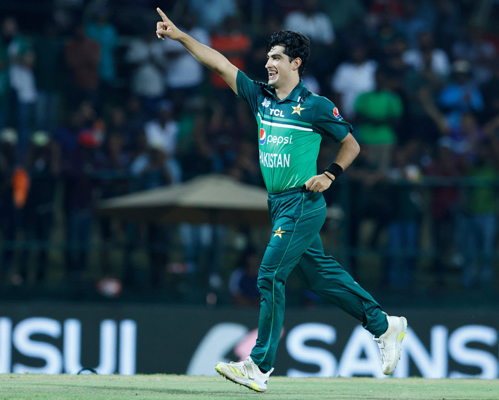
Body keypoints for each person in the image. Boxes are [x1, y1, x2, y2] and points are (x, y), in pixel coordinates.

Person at [155, 7, 407, 393]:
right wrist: (181, 36)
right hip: (278, 204)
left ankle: (259, 365)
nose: (268, 63)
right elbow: (220, 63)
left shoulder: (316, 106)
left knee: (270, 274)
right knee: (318, 276)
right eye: (268, 57)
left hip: (302, 202)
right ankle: (384, 325)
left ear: (296, 63)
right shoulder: (261, 97)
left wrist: (329, 175)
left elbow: (352, 145)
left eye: (276, 58)